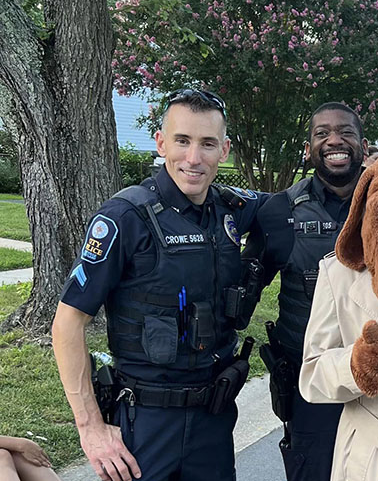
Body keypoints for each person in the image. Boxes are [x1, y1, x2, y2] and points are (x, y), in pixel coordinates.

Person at [52, 89, 268, 481]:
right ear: (160, 142)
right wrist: (91, 429)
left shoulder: (231, 208)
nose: (193, 158)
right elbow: (67, 323)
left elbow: (296, 205)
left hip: (214, 420)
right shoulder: (124, 216)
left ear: (225, 149)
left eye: (207, 144)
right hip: (146, 423)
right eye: (182, 141)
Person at [242, 102, 367, 481]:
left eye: (345, 131)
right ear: (309, 146)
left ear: (362, 143)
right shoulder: (278, 212)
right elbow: (240, 294)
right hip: (312, 382)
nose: (334, 140)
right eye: (322, 133)